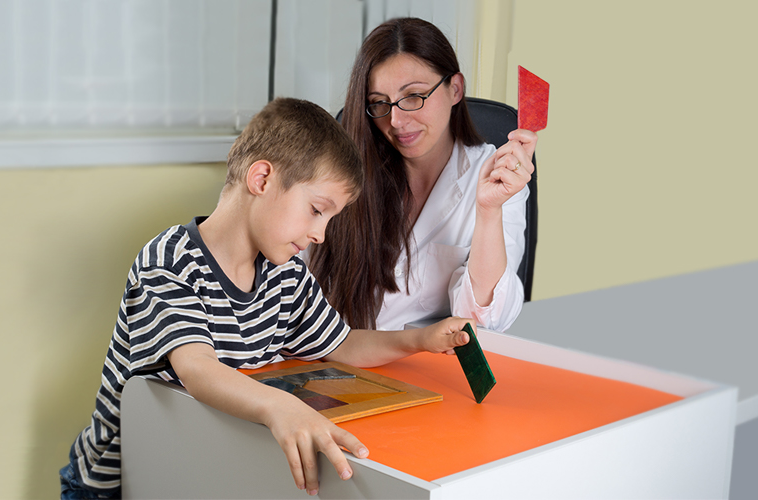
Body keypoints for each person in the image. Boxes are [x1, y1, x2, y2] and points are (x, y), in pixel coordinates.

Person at [58, 98, 475, 499]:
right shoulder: (168, 262)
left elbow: (342, 343)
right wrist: (282, 408)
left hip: (204, 465)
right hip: (119, 479)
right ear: (261, 179)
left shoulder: (286, 273)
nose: (320, 234)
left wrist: (418, 340)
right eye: (316, 210)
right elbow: (197, 369)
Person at [310, 17, 538, 333]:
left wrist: (488, 210)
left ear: (455, 89)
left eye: (414, 96)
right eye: (379, 103)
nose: (396, 120)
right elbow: (295, 277)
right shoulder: (348, 167)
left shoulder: (493, 174)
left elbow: (487, 319)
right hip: (329, 357)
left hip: (420, 368)